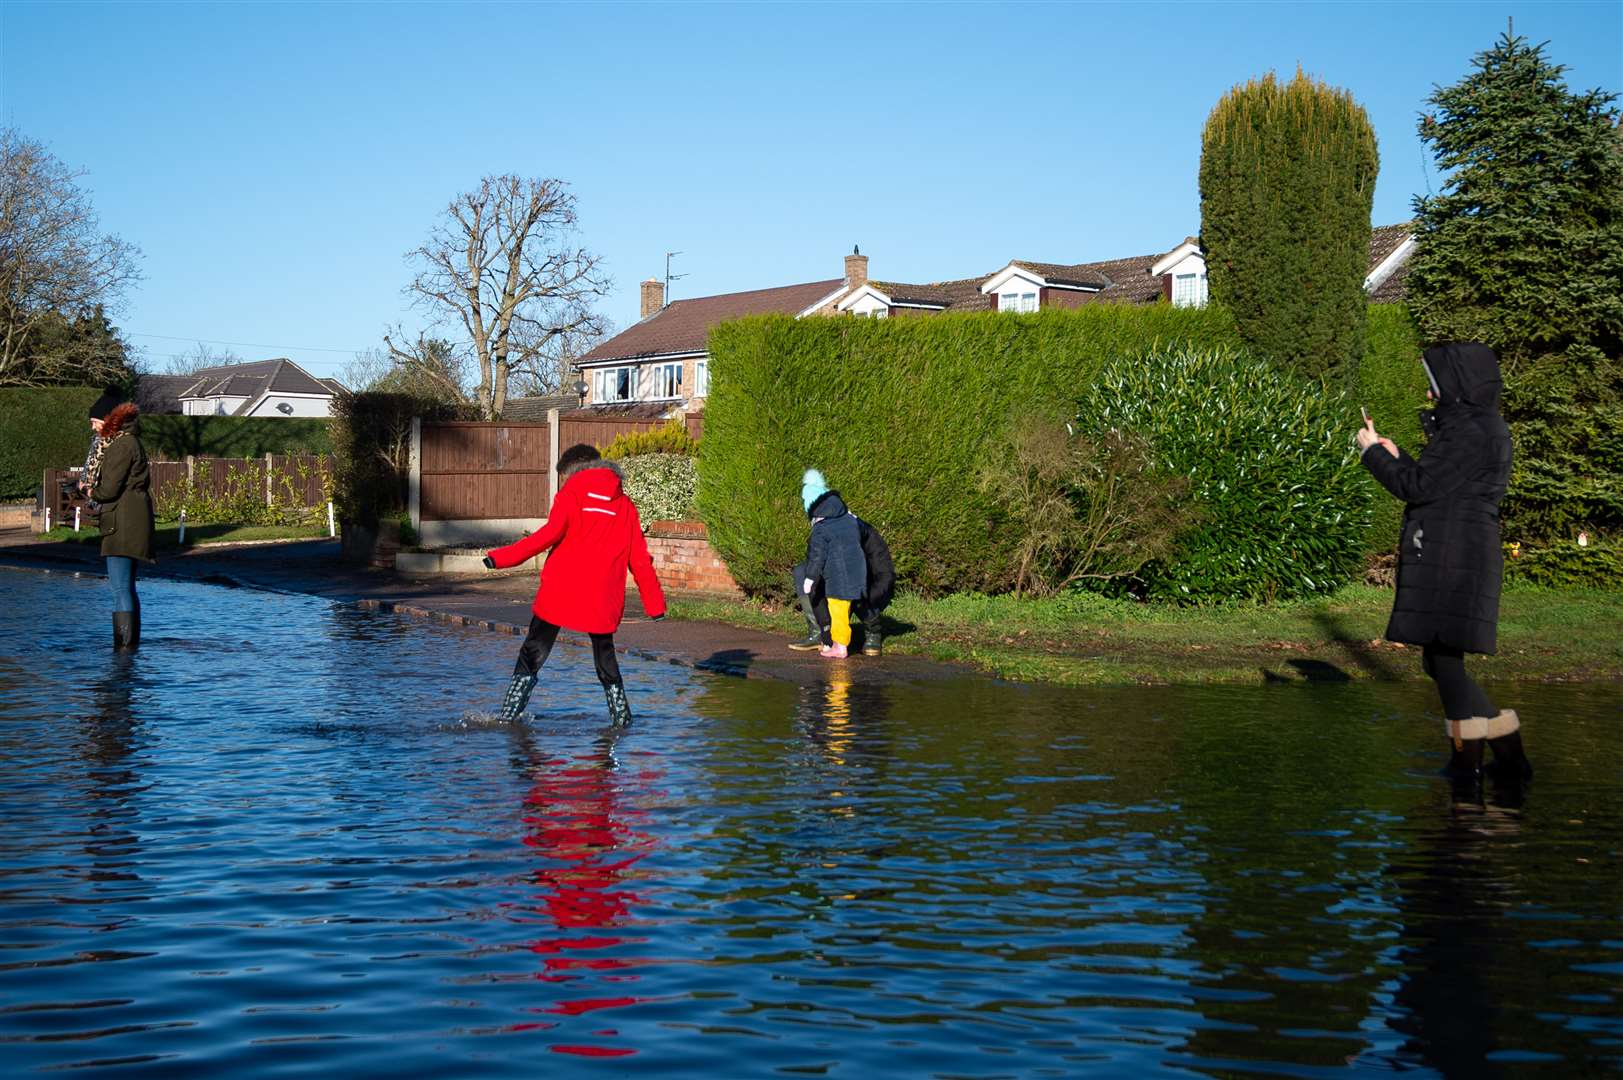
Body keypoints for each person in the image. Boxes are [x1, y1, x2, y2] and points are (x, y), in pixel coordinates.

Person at [1356, 342, 1530, 787]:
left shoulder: (1469, 430)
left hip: (1453, 554)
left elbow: (1417, 488)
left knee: (1442, 656)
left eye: (1434, 385)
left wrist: (1371, 453)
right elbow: (1440, 484)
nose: (1430, 395)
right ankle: (1508, 760)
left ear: (1455, 384)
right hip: (1460, 547)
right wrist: (1399, 456)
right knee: (1440, 657)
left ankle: (1465, 769)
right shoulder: (1478, 427)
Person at [482, 444, 665, 727]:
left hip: (561, 589)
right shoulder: (626, 507)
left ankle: (508, 717)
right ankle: (622, 719)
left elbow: (546, 536)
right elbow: (640, 560)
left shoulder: (571, 495)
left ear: (573, 472)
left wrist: (499, 558)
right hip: (603, 595)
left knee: (534, 650)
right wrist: (655, 606)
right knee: (604, 654)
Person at [84, 391, 154, 650]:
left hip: (122, 521)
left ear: (108, 419)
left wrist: (89, 490)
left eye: (95, 421)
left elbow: (109, 490)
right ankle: (129, 647)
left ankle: (123, 649)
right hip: (130, 518)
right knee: (127, 587)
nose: (92, 427)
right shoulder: (130, 441)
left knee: (120, 588)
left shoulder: (122, 444)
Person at [789, 509, 895, 656]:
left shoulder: (868, 535)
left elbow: (884, 573)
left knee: (856, 582)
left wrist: (871, 598)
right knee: (803, 571)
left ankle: (873, 632)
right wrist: (826, 629)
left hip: (864, 581)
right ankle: (818, 633)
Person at [794, 469, 866, 660]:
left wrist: (809, 578)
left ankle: (840, 647)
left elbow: (817, 556)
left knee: (838, 610)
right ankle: (837, 642)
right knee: (843, 609)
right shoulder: (848, 519)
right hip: (857, 571)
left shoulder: (821, 528)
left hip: (838, 577)